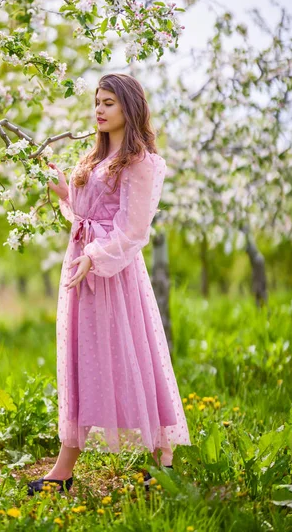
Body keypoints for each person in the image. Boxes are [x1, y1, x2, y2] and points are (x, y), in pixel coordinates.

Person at [28, 73, 191, 495]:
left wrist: (96, 258)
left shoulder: (141, 162)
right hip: (81, 268)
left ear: (129, 108)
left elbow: (134, 230)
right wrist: (66, 192)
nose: (98, 110)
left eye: (108, 103)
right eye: (97, 101)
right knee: (82, 361)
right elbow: (87, 213)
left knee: (130, 356)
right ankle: (64, 468)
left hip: (112, 275)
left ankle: (162, 460)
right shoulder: (96, 155)